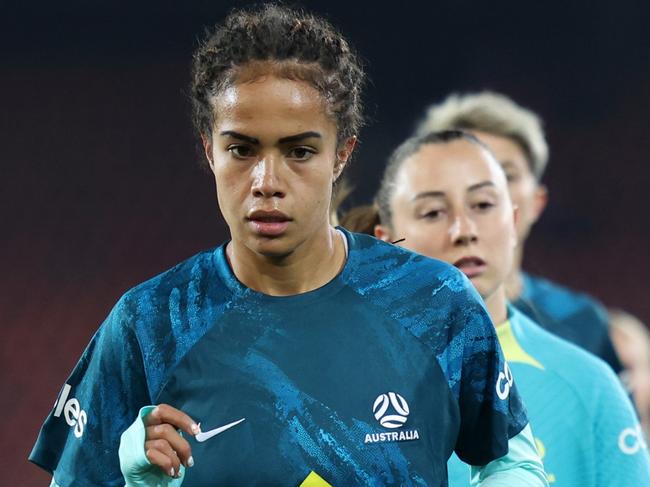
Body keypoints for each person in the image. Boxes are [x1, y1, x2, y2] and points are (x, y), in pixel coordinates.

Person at [29, 5, 546, 486]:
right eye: (241, 150)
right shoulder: (148, 324)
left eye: (299, 150)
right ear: (208, 151)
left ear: (342, 153)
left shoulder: (435, 302)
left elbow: (511, 459)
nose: (267, 181)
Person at [342, 129, 649, 485]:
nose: (463, 229)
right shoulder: (335, 380)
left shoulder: (589, 386)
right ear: (386, 241)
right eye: (432, 212)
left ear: (515, 222)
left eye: (483, 205)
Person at [414, 92, 624, 374]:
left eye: (506, 175)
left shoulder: (581, 323)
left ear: (537, 202)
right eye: (467, 173)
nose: (488, 191)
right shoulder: (393, 320)